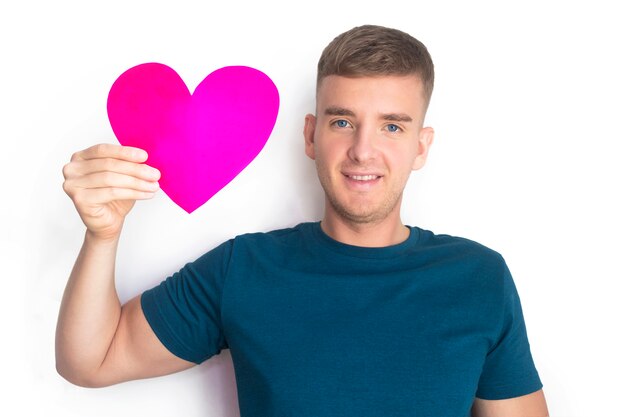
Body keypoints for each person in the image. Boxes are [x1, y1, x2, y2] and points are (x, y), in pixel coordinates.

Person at [57, 25, 549, 416]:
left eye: (392, 126)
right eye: (342, 122)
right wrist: (103, 234)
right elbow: (90, 359)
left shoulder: (478, 277)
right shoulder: (244, 268)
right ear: (311, 135)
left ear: (420, 147)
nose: (362, 150)